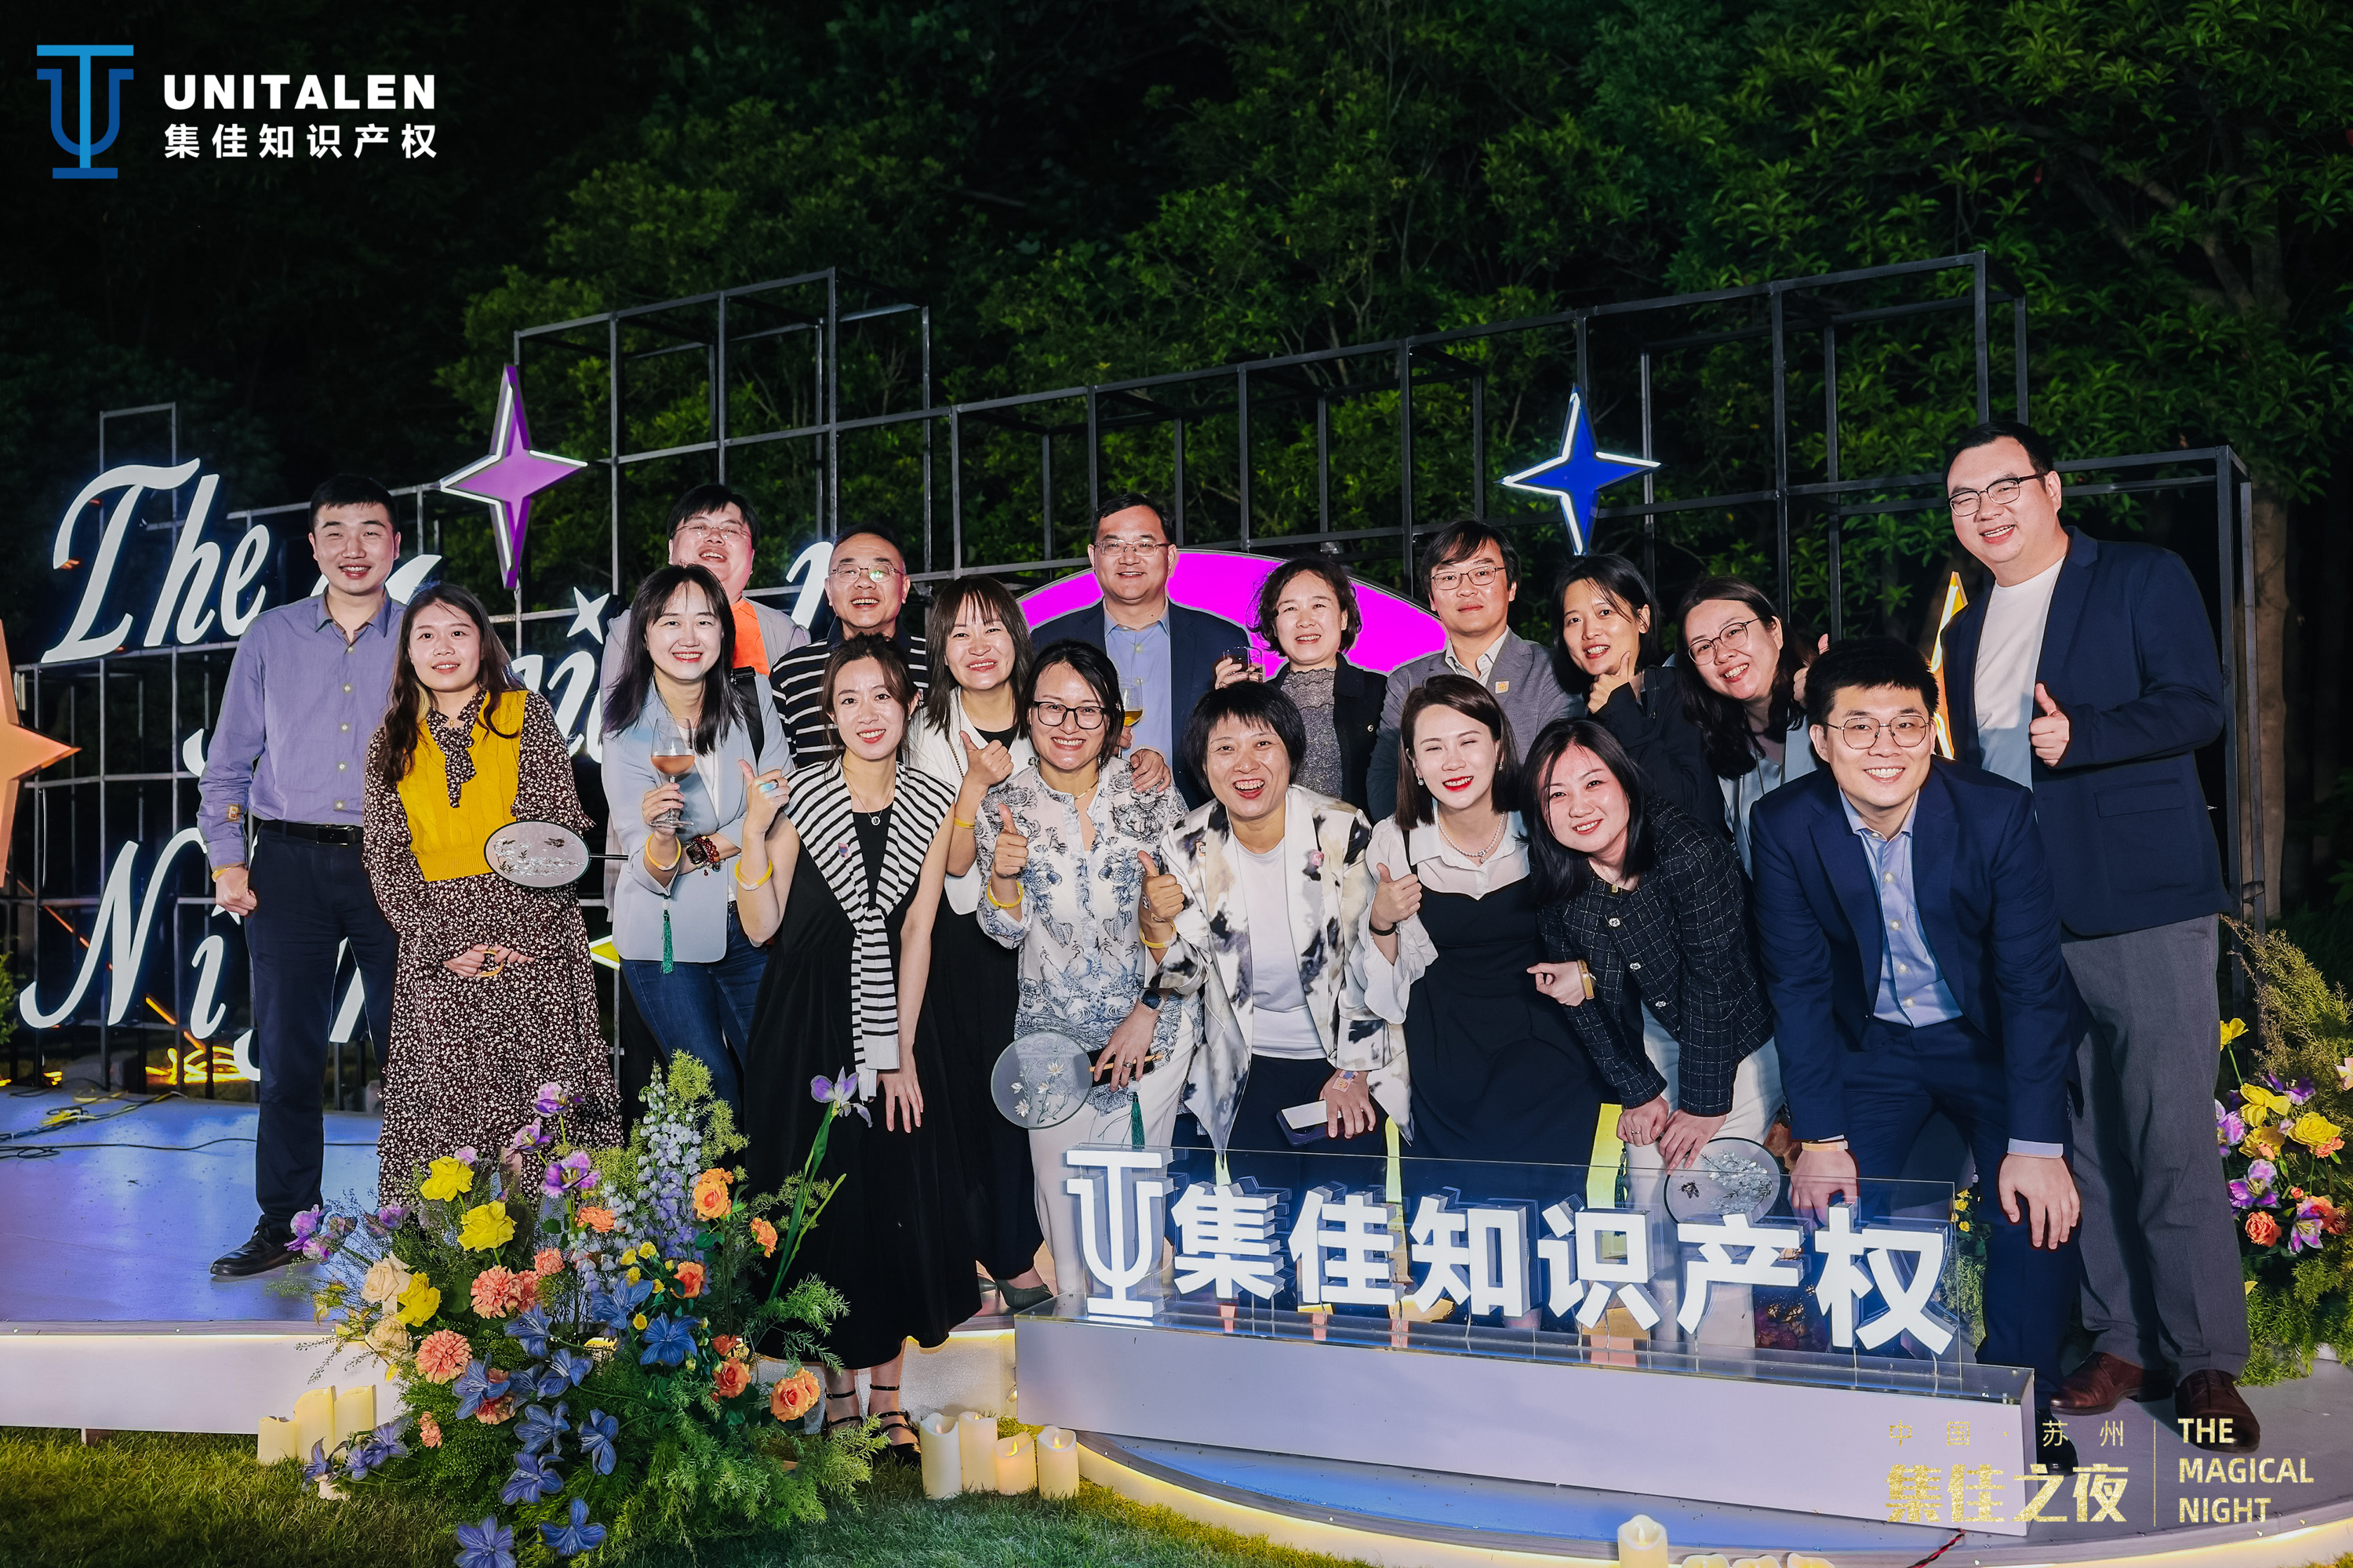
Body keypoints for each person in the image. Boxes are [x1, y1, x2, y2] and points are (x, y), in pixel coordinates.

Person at [1936, 420, 2254, 1449]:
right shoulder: (1963, 633)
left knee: (2168, 1130)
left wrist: (2085, 735)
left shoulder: (2137, 577)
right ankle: (2122, 1340)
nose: (1986, 509)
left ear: (2053, 487)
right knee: (2075, 1139)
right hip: (2026, 921)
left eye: (2004, 486)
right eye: (1964, 497)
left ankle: (2205, 1357)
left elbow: (2198, 706)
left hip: (2142, 901)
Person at [1749, 637, 2083, 1470]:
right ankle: (1877, 1390)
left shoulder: (1996, 813)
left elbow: (2032, 985)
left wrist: (2037, 1143)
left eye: (1906, 724)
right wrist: (1821, 1136)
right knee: (1832, 1209)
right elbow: (1798, 985)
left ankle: (2023, 1403)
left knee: (2034, 1207)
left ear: (1931, 731)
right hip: (1873, 1045)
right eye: (1858, 726)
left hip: (1988, 1040)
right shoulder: (1785, 824)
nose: (1886, 746)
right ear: (1820, 740)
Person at [733, 636, 973, 1461]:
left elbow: (918, 931)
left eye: (882, 696)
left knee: (895, 1192)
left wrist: (897, 1051)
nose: (867, 713)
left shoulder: (934, 799)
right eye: (848, 699)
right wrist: (753, 835)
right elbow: (761, 926)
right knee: (824, 1205)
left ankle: (891, 1400)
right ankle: (837, 1395)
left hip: (895, 1022)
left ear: (908, 706)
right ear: (829, 716)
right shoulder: (800, 797)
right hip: (804, 1022)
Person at [201, 475, 406, 1278]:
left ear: (395, 544)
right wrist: (228, 857)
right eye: (336, 532)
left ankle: (427, 1225)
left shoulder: (424, 633)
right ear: (315, 545)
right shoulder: (270, 636)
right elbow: (228, 762)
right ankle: (286, 1223)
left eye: (371, 531)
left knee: (415, 1053)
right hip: (285, 863)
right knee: (286, 1057)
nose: (355, 548)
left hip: (397, 860)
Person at [1523, 718, 1780, 1342]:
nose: (1579, 806)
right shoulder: (1560, 877)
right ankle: (1667, 1369)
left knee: (1707, 1218)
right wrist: (1638, 1089)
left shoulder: (1687, 851)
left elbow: (1714, 982)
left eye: (1593, 782)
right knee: (1650, 1215)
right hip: (1655, 1037)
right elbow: (1577, 995)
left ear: (1626, 783)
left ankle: (1723, 1373)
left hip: (1736, 1042)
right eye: (1557, 794)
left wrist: (1703, 1104)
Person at [362, 584, 618, 1202]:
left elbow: (555, 832)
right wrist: (443, 942)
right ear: (408, 652)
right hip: (439, 950)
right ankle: (458, 1257)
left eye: (459, 632)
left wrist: (519, 932)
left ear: (483, 643)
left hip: (530, 941)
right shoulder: (390, 740)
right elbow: (387, 857)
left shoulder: (526, 715)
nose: (443, 647)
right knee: (448, 1123)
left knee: (538, 1121)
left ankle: (545, 1258)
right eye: (426, 635)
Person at [972, 641, 1197, 1293]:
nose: (1069, 726)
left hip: (1152, 1033)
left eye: (1088, 710)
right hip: (1052, 1042)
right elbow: (1003, 933)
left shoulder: (1150, 792)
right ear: (1028, 713)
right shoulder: (1003, 803)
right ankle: (1076, 1338)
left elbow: (1190, 923)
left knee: (1133, 1208)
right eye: (1052, 708)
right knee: (1063, 1208)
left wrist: (1148, 1011)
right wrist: (1003, 880)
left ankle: (1141, 1338)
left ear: (1112, 719)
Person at [1147, 682, 1400, 1159]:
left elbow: (1370, 955)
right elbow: (1189, 974)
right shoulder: (1186, 843)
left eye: (1262, 743)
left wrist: (1354, 1070)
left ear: (1291, 752)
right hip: (1245, 1062)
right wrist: (1156, 921)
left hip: (1340, 1058)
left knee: (1342, 1202)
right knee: (1256, 1200)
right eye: (1225, 748)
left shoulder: (1340, 828)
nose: (1245, 765)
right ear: (1203, 764)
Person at [1356, 675, 1599, 1162]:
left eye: (1468, 741)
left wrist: (1588, 974)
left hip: (1553, 1060)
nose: (1453, 762)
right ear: (1414, 764)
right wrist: (1381, 921)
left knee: (1549, 1206)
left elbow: (1610, 937)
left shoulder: (1548, 824)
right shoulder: (1394, 841)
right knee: (1444, 1205)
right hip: (1445, 1067)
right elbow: (1382, 994)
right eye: (1433, 748)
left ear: (1499, 748)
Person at [903, 577, 1049, 1314]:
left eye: (991, 627)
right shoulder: (927, 730)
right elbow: (952, 862)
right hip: (965, 932)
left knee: (1034, 1089)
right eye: (959, 633)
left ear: (1015, 636)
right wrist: (973, 782)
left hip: (1052, 932)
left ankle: (1026, 1244)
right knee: (976, 1092)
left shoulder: (1050, 710)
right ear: (941, 649)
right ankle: (994, 1255)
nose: (979, 645)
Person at [600, 565, 780, 1120]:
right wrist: (663, 838)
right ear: (644, 634)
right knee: (709, 1089)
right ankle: (719, 1185)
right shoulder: (624, 727)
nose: (688, 636)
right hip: (664, 935)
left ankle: (778, 1184)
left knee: (777, 1076)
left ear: (723, 630)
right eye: (670, 621)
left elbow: (780, 797)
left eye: (704, 620)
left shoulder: (753, 699)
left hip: (750, 918)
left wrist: (698, 848)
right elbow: (650, 867)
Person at [1028, 493, 1239, 805]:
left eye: (1144, 545)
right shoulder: (1049, 641)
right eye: (1113, 545)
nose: (1129, 558)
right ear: (1094, 557)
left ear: (1170, 557)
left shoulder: (1220, 641)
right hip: (1082, 819)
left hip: (1199, 817)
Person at [1366, 520, 1573, 819]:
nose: (1466, 589)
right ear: (1432, 598)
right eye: (1449, 577)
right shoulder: (1407, 682)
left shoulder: (1550, 670)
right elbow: (1387, 780)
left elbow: (1563, 774)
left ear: (1512, 586)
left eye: (1482, 573)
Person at [596, 483, 810, 725]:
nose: (714, 537)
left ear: (752, 558)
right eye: (699, 527)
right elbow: (617, 727)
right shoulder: (629, 627)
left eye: (731, 530)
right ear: (671, 549)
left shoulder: (785, 634)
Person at [1551, 553, 1722, 835]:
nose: (1589, 632)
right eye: (1574, 620)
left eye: (1605, 612)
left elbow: (1688, 809)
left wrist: (1620, 709)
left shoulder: (1678, 690)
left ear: (1642, 619)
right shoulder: (1575, 716)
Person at [1676, 576, 1818, 869]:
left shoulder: (1829, 704)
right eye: (1703, 647)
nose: (1722, 654)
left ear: (1774, 631)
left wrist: (1836, 697)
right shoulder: (1719, 743)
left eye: (1733, 631)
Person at [773, 526, 929, 764]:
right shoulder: (790, 675)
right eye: (849, 572)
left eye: (880, 572)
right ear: (829, 591)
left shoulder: (939, 662)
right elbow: (781, 772)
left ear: (904, 588)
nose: (864, 583)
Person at [1255, 557, 1384, 811]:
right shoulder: (1257, 701)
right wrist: (1224, 708)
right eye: (1290, 609)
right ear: (1274, 625)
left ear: (1343, 618)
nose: (1305, 621)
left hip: (1362, 835)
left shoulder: (1382, 692)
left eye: (1318, 605)